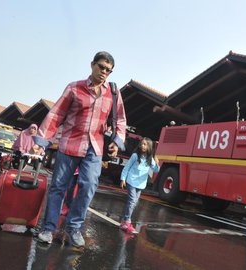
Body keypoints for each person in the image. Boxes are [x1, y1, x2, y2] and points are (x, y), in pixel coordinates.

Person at [35, 51, 127, 248]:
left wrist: (117, 141)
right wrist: (41, 140)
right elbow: (57, 114)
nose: (104, 72)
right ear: (92, 64)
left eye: (109, 70)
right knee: (58, 187)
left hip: (95, 147)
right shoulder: (74, 88)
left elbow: (120, 119)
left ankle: (74, 228)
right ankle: (48, 228)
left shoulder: (113, 93)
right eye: (101, 67)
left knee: (88, 185)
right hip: (70, 143)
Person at [119, 137, 159, 234]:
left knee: (133, 203)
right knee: (132, 201)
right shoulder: (135, 156)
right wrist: (123, 179)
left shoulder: (150, 159)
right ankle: (127, 222)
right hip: (131, 181)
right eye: (142, 144)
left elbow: (156, 170)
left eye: (145, 144)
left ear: (149, 147)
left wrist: (157, 162)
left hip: (140, 184)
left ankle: (123, 221)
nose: (142, 146)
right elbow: (126, 168)